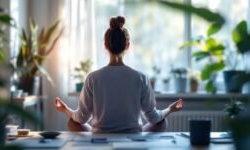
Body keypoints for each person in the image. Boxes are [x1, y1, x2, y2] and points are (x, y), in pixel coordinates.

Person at [54, 16, 184, 133]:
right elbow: (154, 118)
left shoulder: (93, 78)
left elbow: (81, 118)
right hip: (133, 135)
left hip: (100, 135)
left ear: (105, 45)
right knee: (162, 123)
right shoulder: (141, 77)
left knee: (72, 122)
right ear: (127, 46)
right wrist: (170, 109)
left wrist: (65, 109)